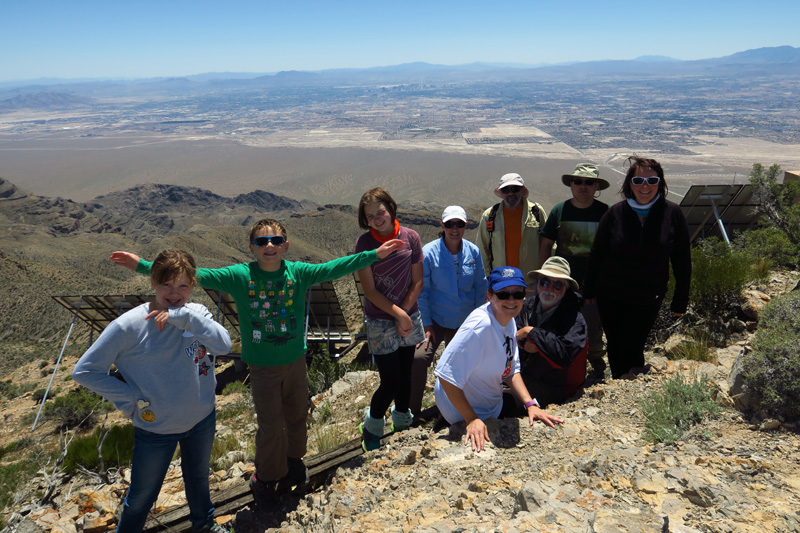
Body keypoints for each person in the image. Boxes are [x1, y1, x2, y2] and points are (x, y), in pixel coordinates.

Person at [109, 220, 403, 502]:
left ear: (285, 245)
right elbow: (194, 275)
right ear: (252, 247)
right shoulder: (240, 276)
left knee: (298, 416)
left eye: (275, 240)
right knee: (271, 425)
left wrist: (373, 255)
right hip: (262, 367)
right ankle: (266, 477)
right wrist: (143, 266)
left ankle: (294, 463)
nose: (269, 246)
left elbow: (333, 268)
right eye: (262, 241)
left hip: (295, 362)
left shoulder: (298, 273)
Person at [73, 250, 232, 533]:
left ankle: (204, 525)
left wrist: (185, 319)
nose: (174, 293)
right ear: (153, 284)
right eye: (166, 285)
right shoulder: (129, 325)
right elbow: (85, 371)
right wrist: (130, 399)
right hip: (156, 427)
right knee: (143, 495)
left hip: (202, 417)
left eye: (183, 285)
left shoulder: (197, 314)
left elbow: (224, 345)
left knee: (198, 479)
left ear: (192, 286)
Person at [583, 156, 692, 379]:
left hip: (648, 295)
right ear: (629, 183)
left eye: (652, 181)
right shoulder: (615, 213)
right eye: (638, 180)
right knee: (614, 342)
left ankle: (631, 382)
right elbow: (597, 252)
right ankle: (620, 384)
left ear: (660, 183)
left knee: (635, 342)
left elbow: (682, 259)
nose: (645, 186)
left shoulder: (672, 214)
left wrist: (681, 298)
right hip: (611, 293)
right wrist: (589, 288)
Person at [434, 266, 564, 452]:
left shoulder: (507, 320)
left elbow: (510, 369)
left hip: (490, 404)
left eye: (517, 294)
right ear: (490, 295)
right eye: (503, 294)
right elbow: (446, 376)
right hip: (463, 412)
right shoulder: (479, 327)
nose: (511, 300)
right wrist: (471, 419)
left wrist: (530, 404)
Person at [354, 187, 425, 451]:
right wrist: (396, 314)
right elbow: (370, 291)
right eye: (370, 215)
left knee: (406, 376)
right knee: (391, 380)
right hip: (380, 320)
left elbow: (417, 281)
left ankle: (402, 422)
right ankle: (372, 426)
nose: (376, 218)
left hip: (408, 314)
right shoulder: (364, 245)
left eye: (380, 211)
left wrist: (403, 314)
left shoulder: (411, 237)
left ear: (391, 208)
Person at [410, 206, 487, 419]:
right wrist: (426, 325)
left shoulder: (473, 252)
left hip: (464, 320)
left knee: (465, 362)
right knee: (418, 358)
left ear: (465, 226)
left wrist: (478, 319)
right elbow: (422, 292)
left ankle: (460, 408)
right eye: (450, 224)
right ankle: (412, 411)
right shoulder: (429, 253)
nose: (455, 229)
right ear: (442, 225)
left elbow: (481, 286)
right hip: (435, 319)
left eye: (459, 224)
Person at [538, 163, 610, 380]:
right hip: (562, 283)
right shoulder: (559, 211)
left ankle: (596, 364)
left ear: (596, 185)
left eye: (589, 182)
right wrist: (544, 277)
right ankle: (558, 366)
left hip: (593, 284)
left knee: (593, 326)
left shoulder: (604, 212)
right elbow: (545, 243)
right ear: (571, 184)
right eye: (578, 181)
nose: (583, 186)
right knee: (560, 324)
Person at [515, 257, 588, 407]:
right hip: (524, 375)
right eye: (545, 282)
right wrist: (526, 342)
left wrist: (532, 333)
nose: (549, 288)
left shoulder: (575, 319)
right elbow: (513, 334)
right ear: (538, 283)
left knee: (502, 401)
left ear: (566, 288)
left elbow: (564, 355)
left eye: (557, 284)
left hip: (556, 388)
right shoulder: (528, 306)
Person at [476, 172, 548, 280]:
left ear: (522, 191)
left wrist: (546, 274)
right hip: (501, 282)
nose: (510, 193)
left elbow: (548, 244)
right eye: (506, 190)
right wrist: (487, 277)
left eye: (515, 189)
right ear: (501, 192)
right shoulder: (489, 216)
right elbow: (482, 250)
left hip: (530, 281)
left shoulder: (536, 212)